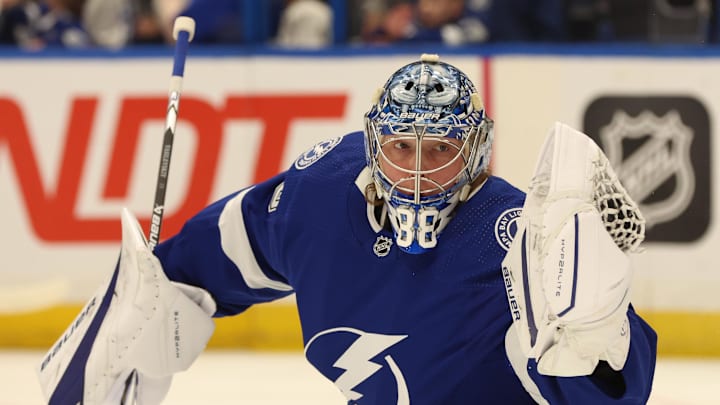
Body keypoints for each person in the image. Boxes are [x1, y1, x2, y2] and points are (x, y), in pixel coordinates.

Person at [38, 54, 657, 404]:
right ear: (370, 143)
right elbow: (226, 250)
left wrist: (602, 344)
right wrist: (157, 293)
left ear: (476, 152)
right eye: (399, 148)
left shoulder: (519, 239)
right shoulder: (319, 196)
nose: (416, 173)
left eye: (439, 148)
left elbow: (616, 393)